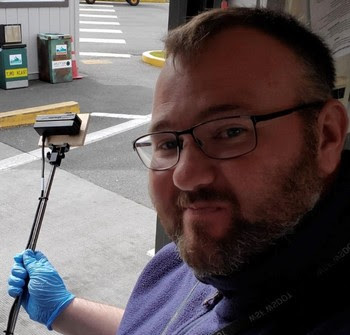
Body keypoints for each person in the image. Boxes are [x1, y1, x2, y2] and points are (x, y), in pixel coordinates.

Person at [8, 7, 350, 335]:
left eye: (230, 132)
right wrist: (64, 310)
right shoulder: (197, 254)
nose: (184, 176)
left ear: (327, 136)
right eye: (168, 144)